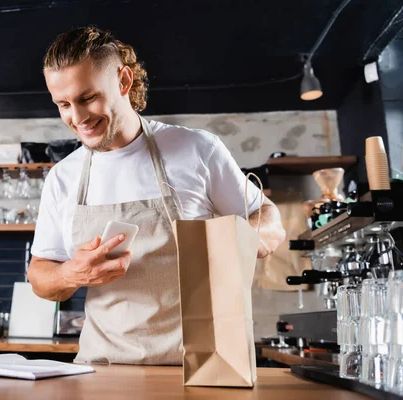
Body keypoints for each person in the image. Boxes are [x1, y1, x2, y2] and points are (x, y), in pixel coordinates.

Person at [27, 26, 286, 365]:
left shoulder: (197, 150)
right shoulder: (63, 177)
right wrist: (70, 274)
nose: (77, 118)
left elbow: (269, 218)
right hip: (103, 370)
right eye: (63, 104)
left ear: (123, 81)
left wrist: (245, 242)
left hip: (203, 367)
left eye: (88, 98)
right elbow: (40, 276)